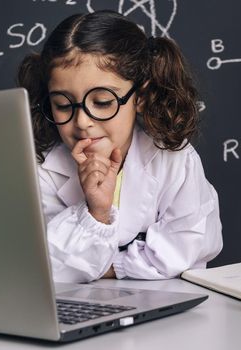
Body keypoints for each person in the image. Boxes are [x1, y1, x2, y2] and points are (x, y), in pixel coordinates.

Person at [17, 10, 222, 283]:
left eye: (102, 102)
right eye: (63, 105)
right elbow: (47, 266)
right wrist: (96, 212)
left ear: (141, 96)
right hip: (76, 308)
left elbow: (190, 246)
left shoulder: (172, 158)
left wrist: (110, 267)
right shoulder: (41, 169)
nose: (82, 121)